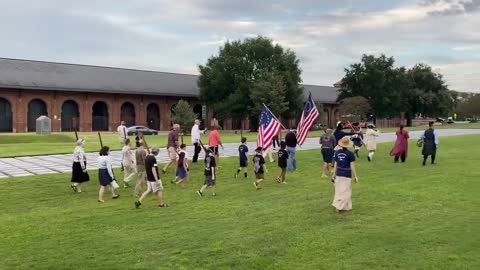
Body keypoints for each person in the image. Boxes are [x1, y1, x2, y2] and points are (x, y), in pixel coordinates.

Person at [332, 136, 359, 212]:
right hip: (346, 174)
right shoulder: (350, 154)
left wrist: (334, 174)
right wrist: (355, 176)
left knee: (339, 190)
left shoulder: (337, 153)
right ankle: (339, 206)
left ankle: (347, 207)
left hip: (338, 173)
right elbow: (352, 166)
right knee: (346, 191)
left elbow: (335, 164)